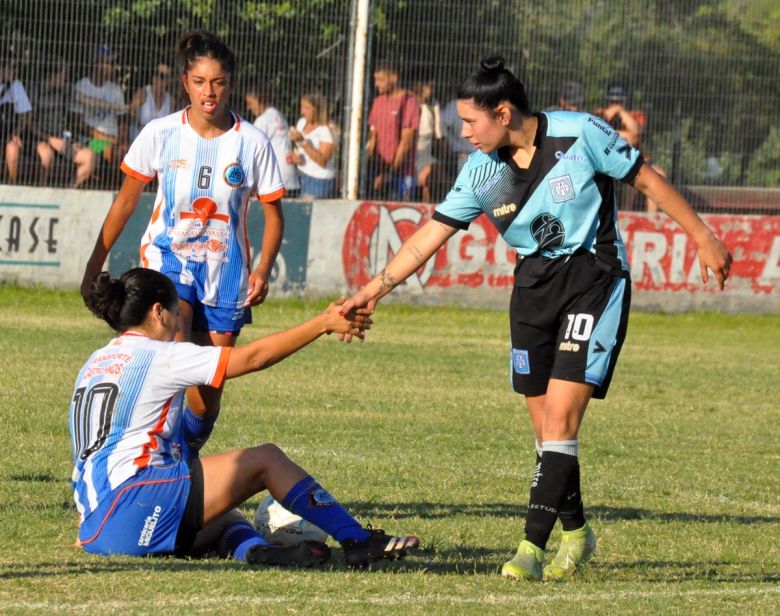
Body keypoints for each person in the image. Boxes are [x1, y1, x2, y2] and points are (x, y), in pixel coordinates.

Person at [339, 56, 732, 582]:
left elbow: (647, 180)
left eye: (471, 122)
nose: (464, 132)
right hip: (531, 295)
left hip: (593, 281)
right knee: (546, 432)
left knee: (561, 421)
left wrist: (703, 236)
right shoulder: (484, 174)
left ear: (503, 113)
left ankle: (531, 548)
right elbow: (427, 238)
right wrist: (372, 292)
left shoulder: (579, 134)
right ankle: (576, 531)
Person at [72, 267, 420, 566]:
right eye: (177, 314)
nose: (179, 322)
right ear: (159, 312)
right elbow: (254, 358)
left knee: (225, 512)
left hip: (97, 528)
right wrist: (324, 323)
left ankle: (259, 552)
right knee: (264, 459)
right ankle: (358, 540)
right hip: (134, 507)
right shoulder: (161, 355)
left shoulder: (95, 363)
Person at [80, 30, 286, 462]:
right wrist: (93, 264)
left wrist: (263, 268)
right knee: (174, 339)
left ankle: (184, 454)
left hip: (225, 272)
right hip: (168, 260)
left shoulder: (252, 142)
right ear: (185, 82)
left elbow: (272, 215)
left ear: (230, 82)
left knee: (208, 389)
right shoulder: (160, 133)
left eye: (218, 82)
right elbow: (125, 202)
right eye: (199, 81)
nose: (208, 92)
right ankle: (152, 452)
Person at [30, 62, 95, 187]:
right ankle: (40, 192)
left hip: (62, 140)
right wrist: (50, 139)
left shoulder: (64, 90)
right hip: (38, 139)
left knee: (90, 157)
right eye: (63, 74)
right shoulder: (34, 91)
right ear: (52, 75)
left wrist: (120, 107)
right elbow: (27, 123)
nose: (65, 78)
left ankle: (68, 192)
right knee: (46, 154)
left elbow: (86, 99)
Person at [70, 45, 128, 181]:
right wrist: (104, 137)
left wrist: (122, 140)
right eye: (107, 63)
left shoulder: (116, 90)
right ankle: (109, 190)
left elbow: (122, 122)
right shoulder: (81, 86)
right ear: (96, 65)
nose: (111, 67)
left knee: (126, 149)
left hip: (114, 139)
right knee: (113, 151)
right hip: (90, 140)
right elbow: (77, 123)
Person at [365, 61, 420, 201]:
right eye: (375, 80)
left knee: (402, 215)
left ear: (394, 78)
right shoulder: (378, 102)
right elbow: (373, 138)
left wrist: (388, 174)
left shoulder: (409, 101)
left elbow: (406, 142)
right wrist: (372, 169)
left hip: (402, 173)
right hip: (378, 172)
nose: (377, 84)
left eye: (381, 80)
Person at [245, 83, 299, 197]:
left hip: (275, 177)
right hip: (289, 174)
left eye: (250, 103)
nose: (248, 108)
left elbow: (253, 151)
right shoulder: (278, 115)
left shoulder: (262, 120)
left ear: (258, 99)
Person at [289, 92, 336, 199]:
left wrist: (303, 142)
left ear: (317, 109)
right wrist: (295, 156)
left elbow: (322, 161)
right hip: (302, 176)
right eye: (302, 107)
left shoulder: (328, 128)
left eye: (307, 108)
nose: (302, 111)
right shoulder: (301, 122)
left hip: (318, 181)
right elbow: (297, 149)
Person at [0, 57, 32, 184]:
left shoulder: (16, 85)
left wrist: (16, 133)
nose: (15, 70)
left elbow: (26, 114)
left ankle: (11, 185)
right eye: (11, 67)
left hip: (6, 133)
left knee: (13, 149)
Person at [411, 80, 442, 203]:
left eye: (431, 87)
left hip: (426, 157)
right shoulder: (409, 102)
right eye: (426, 87)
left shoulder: (433, 106)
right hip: (409, 155)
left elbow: (438, 135)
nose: (430, 91)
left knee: (427, 184)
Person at [128, 61, 174, 141]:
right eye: (156, 73)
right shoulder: (142, 93)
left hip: (161, 143)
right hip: (140, 140)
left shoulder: (171, 101)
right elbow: (130, 117)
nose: (158, 78)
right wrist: (133, 111)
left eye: (162, 76)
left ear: (168, 80)